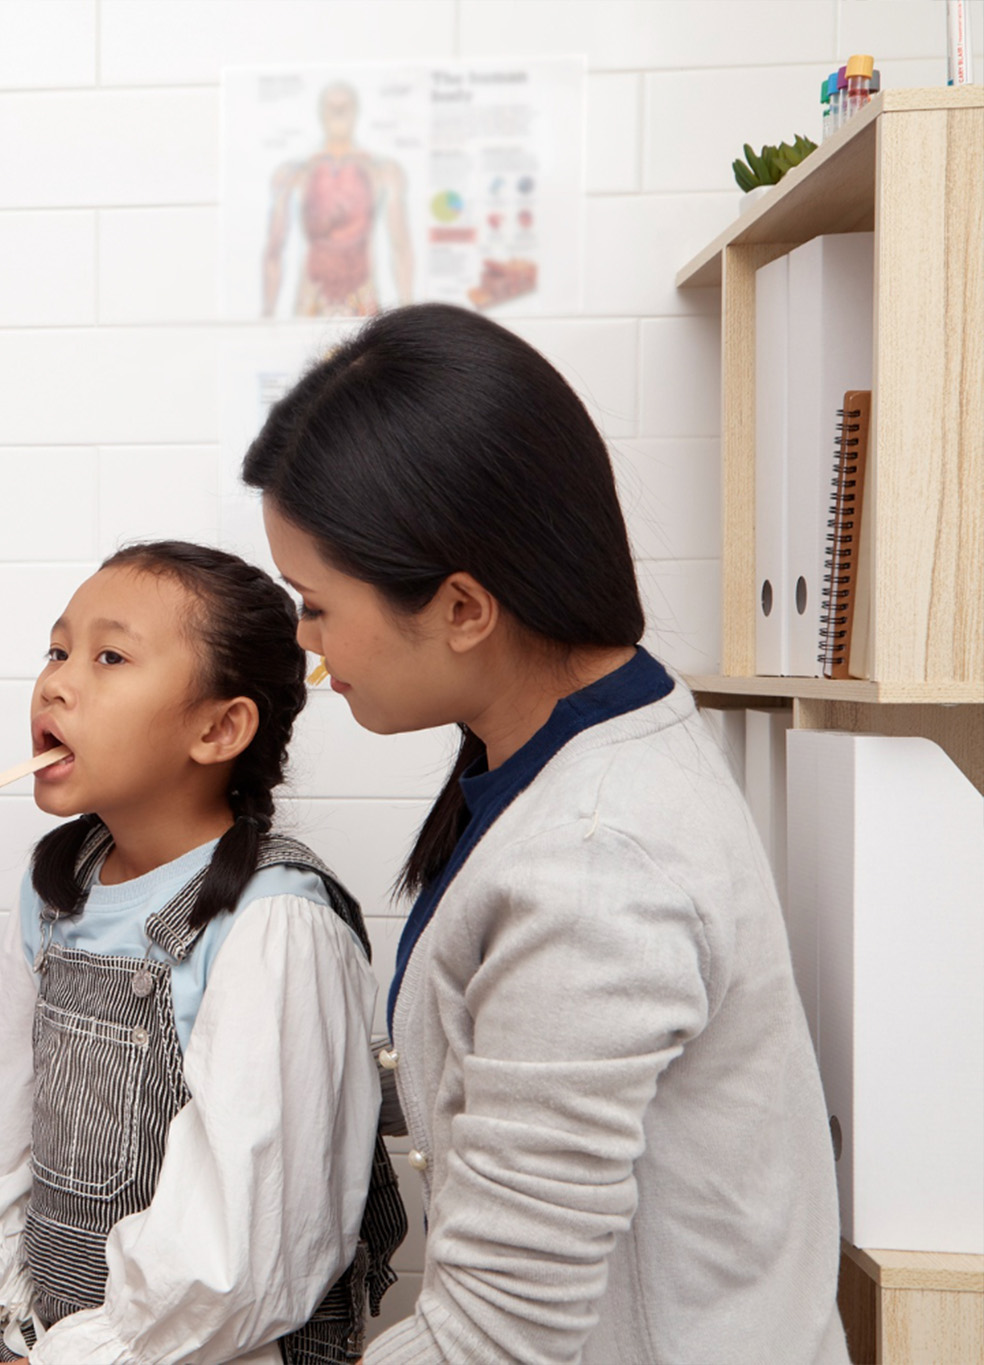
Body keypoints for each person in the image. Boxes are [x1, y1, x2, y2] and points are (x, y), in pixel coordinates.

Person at [243, 304, 847, 1364]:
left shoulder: (595, 864)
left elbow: (495, 1341)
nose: (304, 644)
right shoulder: (578, 734)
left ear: (463, 608)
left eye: (315, 604)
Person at [0, 542, 405, 1365]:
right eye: (57, 649)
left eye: (109, 656)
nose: (58, 681)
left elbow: (239, 1265)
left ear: (220, 727)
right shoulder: (56, 891)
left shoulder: (278, 924)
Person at [261, 81, 413, 319]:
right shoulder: (294, 173)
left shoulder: (382, 171)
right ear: (321, 112)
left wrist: (408, 319)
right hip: (313, 300)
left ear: (356, 112)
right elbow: (274, 248)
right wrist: (267, 313)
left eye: (345, 106)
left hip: (362, 300)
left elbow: (400, 246)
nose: (338, 113)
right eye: (332, 107)